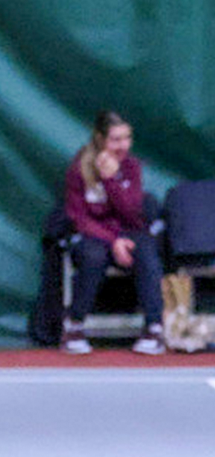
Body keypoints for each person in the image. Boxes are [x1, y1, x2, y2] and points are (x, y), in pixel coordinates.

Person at [62, 110, 165, 355]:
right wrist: (113, 241)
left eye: (127, 138)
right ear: (100, 139)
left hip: (130, 231)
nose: (123, 145)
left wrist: (111, 181)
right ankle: (75, 326)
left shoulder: (131, 166)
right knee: (93, 257)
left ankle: (154, 329)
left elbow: (131, 213)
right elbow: (79, 218)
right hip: (94, 234)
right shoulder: (79, 168)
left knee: (147, 254)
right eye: (115, 139)